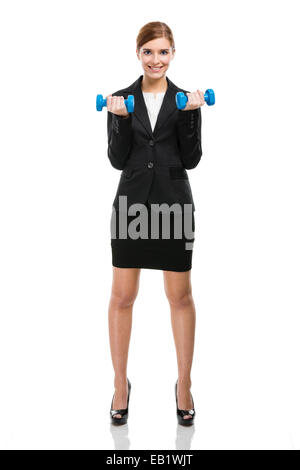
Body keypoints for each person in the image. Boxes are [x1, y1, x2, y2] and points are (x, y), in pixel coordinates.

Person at [106, 21, 205, 426]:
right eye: (149, 51)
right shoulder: (121, 98)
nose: (156, 59)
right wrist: (119, 120)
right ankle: (118, 384)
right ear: (138, 54)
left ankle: (184, 384)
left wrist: (190, 116)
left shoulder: (185, 99)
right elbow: (116, 158)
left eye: (163, 52)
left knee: (179, 297)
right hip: (131, 205)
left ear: (173, 54)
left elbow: (193, 158)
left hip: (173, 204)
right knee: (122, 297)